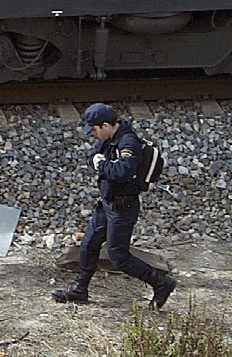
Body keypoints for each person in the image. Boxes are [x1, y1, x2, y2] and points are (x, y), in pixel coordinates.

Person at [52, 102, 178, 309]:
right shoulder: (110, 139)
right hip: (107, 203)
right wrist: (99, 161)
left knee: (119, 257)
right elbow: (92, 156)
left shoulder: (128, 143)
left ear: (105, 125)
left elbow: (122, 173)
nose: (93, 134)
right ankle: (80, 289)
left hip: (123, 207)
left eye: (94, 129)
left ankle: (161, 283)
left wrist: (101, 164)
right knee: (89, 244)